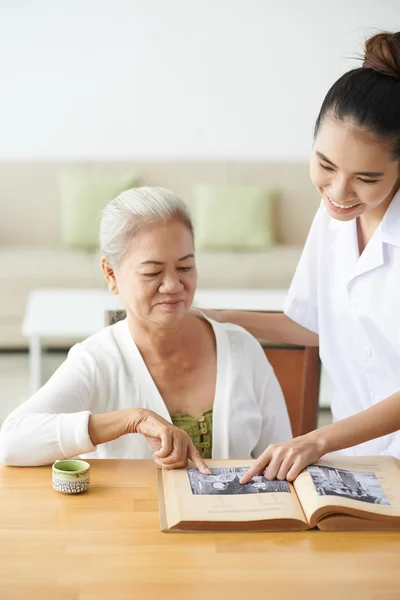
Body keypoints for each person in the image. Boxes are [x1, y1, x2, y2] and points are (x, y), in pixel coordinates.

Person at [211, 31, 400, 484]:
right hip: (357, 464)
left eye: (366, 178)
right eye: (326, 166)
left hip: (348, 449)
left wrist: (318, 440)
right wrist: (214, 320)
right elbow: (313, 326)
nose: (338, 192)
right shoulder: (334, 216)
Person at [0, 187, 292, 470]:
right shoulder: (96, 360)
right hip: (132, 519)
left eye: (185, 267)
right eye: (152, 272)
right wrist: (133, 419)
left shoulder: (242, 349)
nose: (173, 285)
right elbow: (12, 440)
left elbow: (282, 458)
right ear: (110, 274)